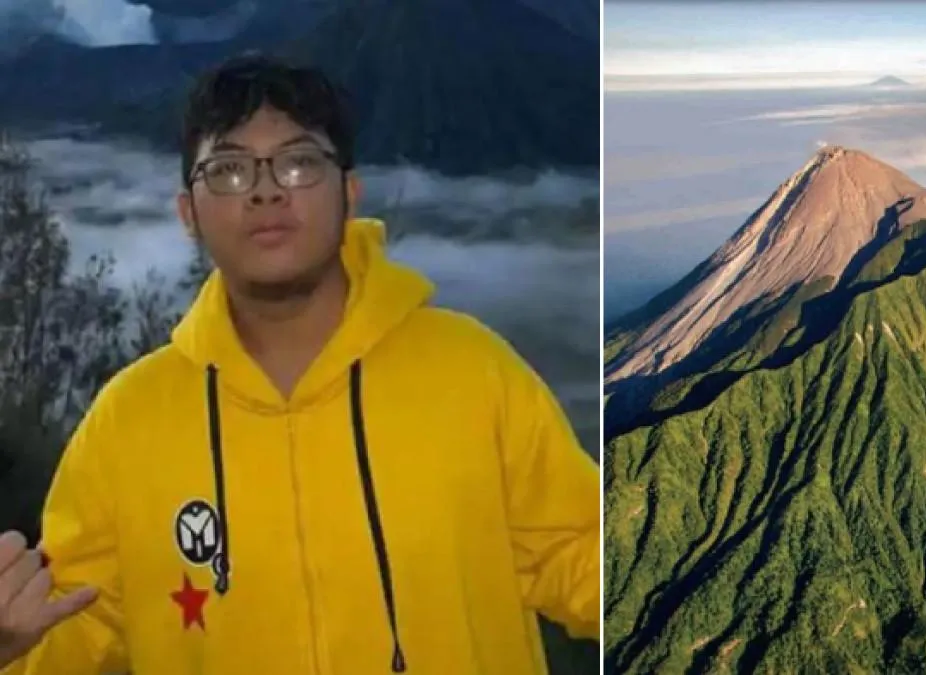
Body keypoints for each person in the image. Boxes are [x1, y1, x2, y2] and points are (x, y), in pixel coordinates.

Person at [0, 53, 600, 674]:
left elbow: (580, 556)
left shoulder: (472, 372)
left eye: (298, 162)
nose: (265, 190)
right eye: (229, 170)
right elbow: (69, 630)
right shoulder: (127, 422)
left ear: (349, 194)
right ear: (189, 214)